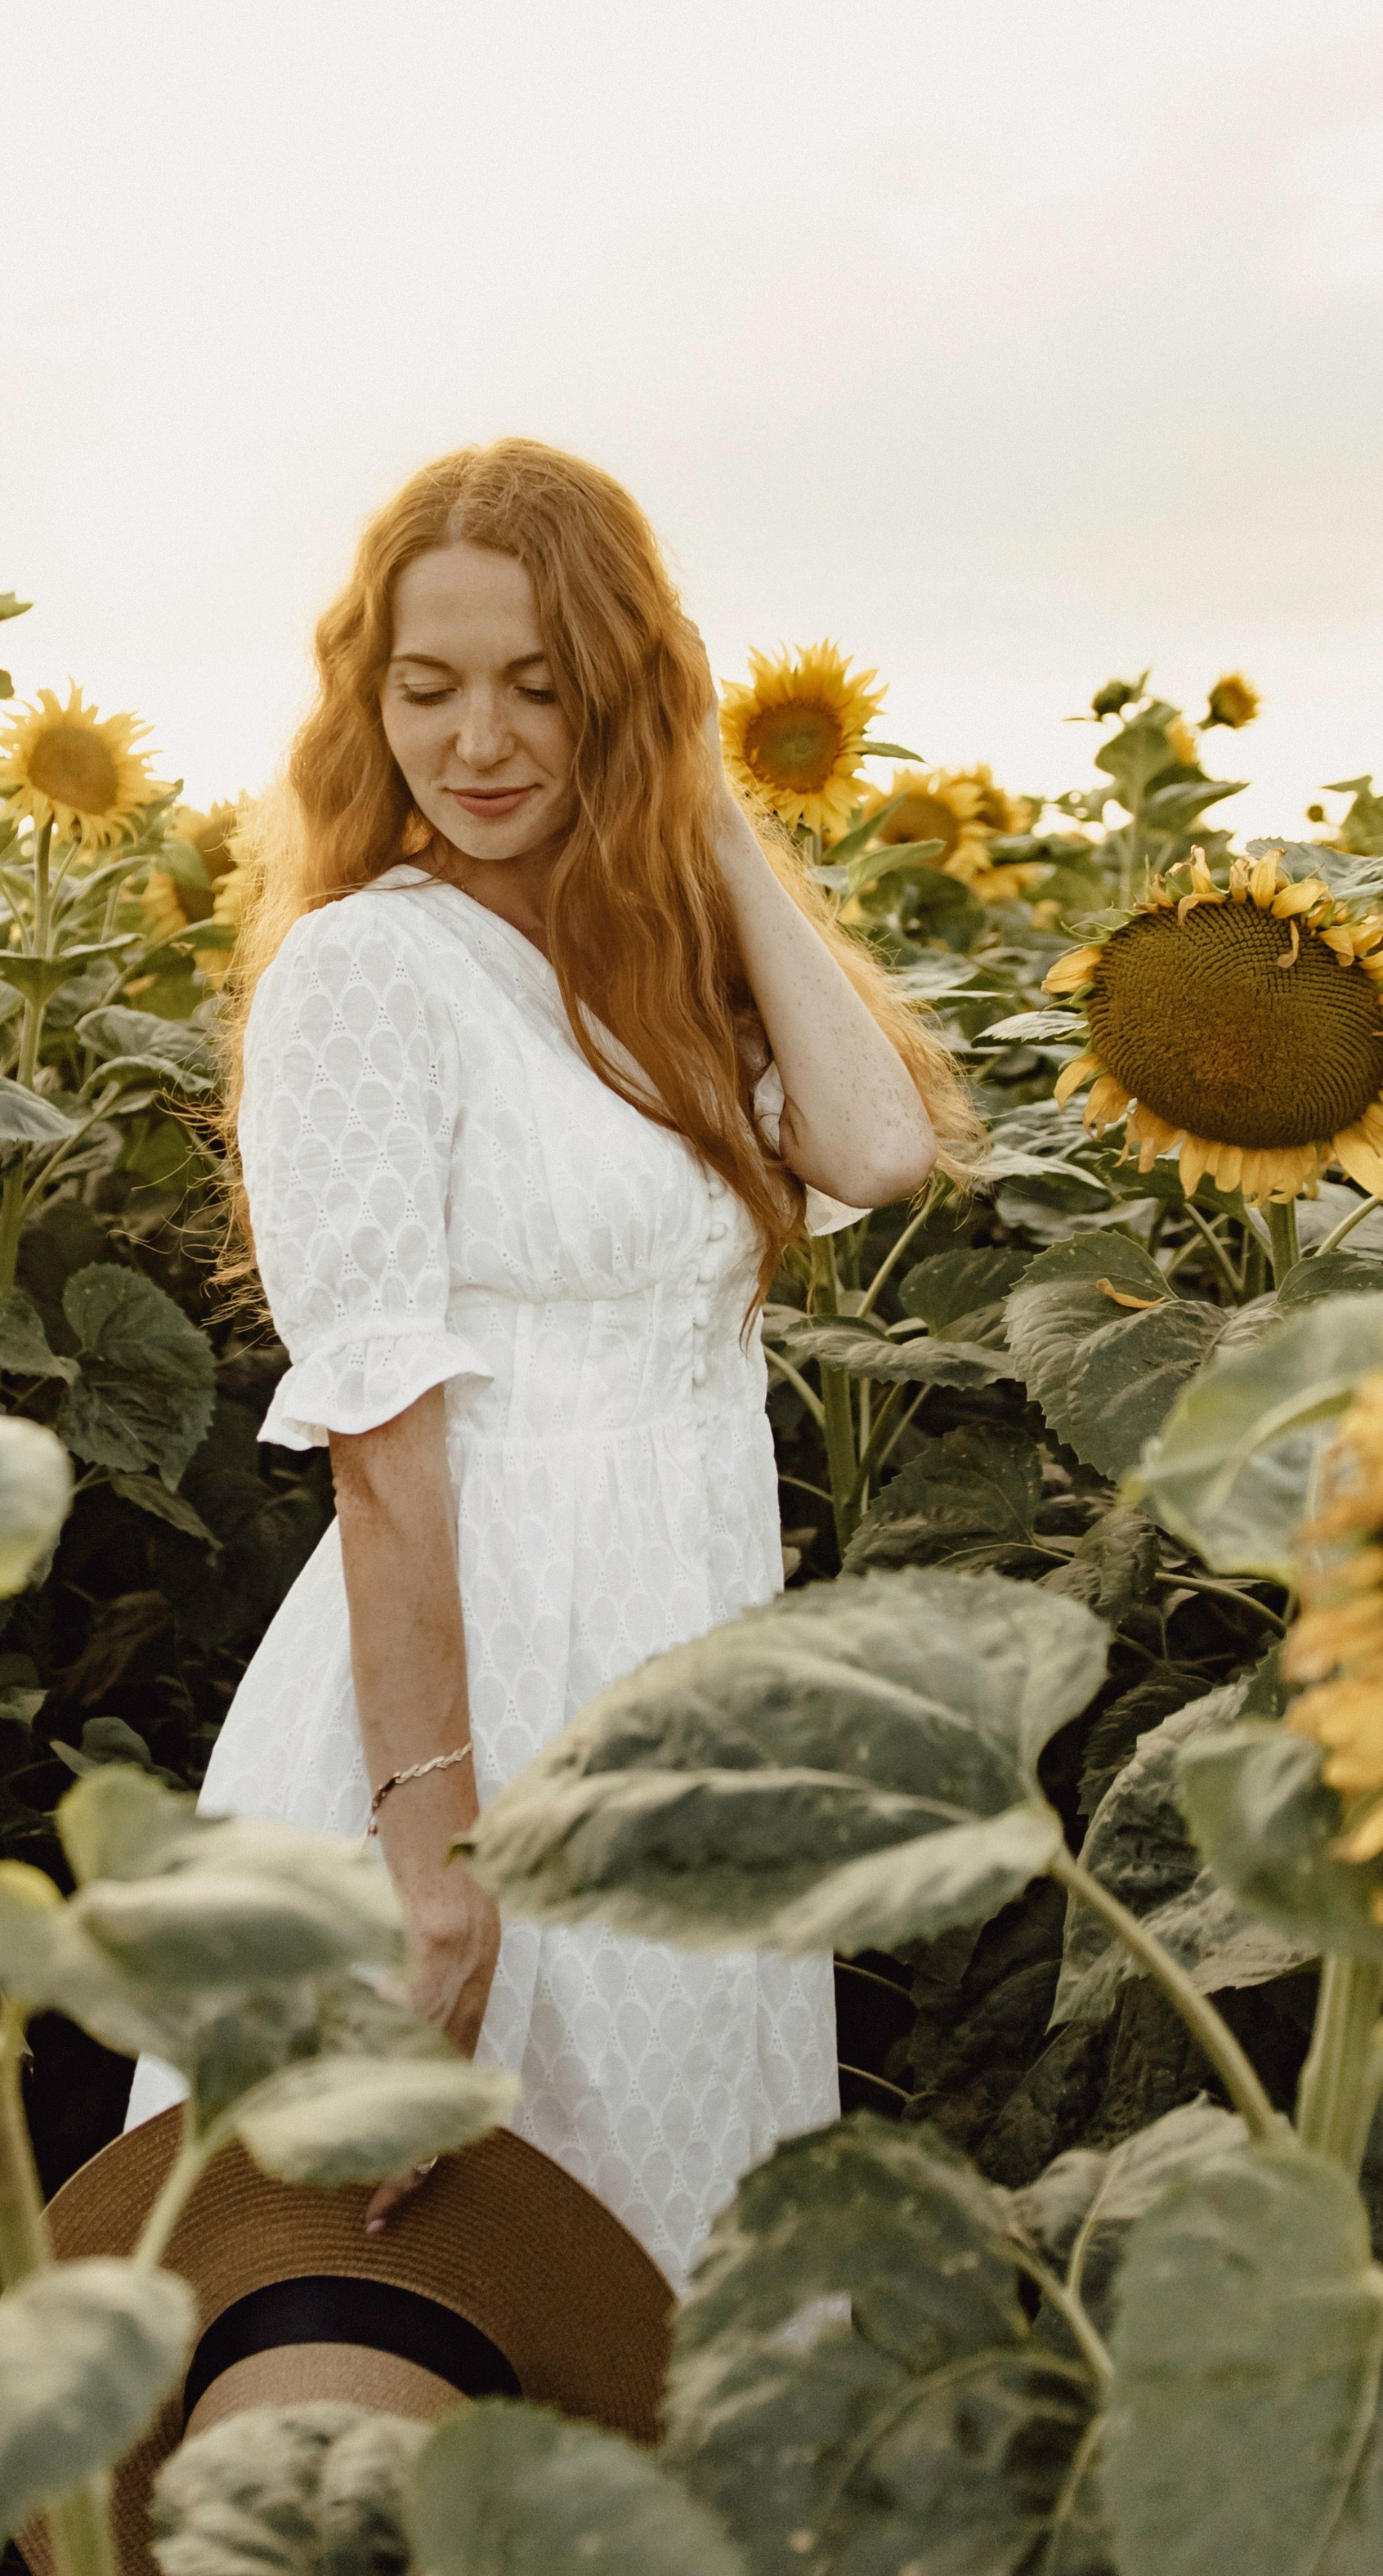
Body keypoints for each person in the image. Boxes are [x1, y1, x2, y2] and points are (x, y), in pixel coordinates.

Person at [124, 439, 970, 2287]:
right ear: (369, 703)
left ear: (624, 697)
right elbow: (380, 1454)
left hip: (686, 1697)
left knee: (656, 2287)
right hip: (478, 1701)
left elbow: (878, 1145)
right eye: (427, 688)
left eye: (542, 684)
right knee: (395, 2288)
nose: (480, 741)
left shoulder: (649, 971)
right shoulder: (365, 973)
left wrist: (704, 806)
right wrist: (439, 1874)